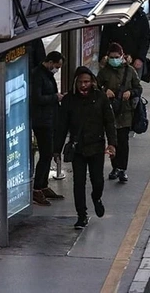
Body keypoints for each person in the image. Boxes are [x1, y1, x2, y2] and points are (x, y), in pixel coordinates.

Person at [54, 66, 117, 229]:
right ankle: (81, 215)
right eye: (81, 82)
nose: (84, 85)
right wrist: (57, 150)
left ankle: (96, 198)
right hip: (78, 147)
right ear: (75, 83)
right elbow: (61, 126)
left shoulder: (100, 98)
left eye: (87, 82)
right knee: (78, 182)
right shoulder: (69, 101)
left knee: (97, 180)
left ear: (92, 82)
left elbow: (109, 122)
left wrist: (112, 143)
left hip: (96, 146)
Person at [97, 43, 142, 183]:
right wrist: (105, 91)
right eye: (111, 57)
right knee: (113, 140)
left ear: (122, 56)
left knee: (123, 141)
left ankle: (122, 168)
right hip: (109, 111)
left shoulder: (130, 71)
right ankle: (115, 167)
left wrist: (131, 92)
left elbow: (138, 88)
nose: (114, 60)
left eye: (116, 57)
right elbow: (96, 87)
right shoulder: (104, 72)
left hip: (125, 111)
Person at [30, 51, 65, 205]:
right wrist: (55, 97)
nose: (56, 69)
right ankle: (37, 188)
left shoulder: (46, 75)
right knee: (45, 154)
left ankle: (43, 185)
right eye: (56, 66)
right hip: (41, 121)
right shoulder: (38, 75)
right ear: (50, 62)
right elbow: (36, 98)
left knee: (48, 153)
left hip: (49, 119)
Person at [100, 7, 150, 77]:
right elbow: (105, 38)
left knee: (133, 83)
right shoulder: (113, 17)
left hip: (134, 59)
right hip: (114, 60)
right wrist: (103, 56)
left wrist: (140, 58)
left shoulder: (140, 17)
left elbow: (145, 40)